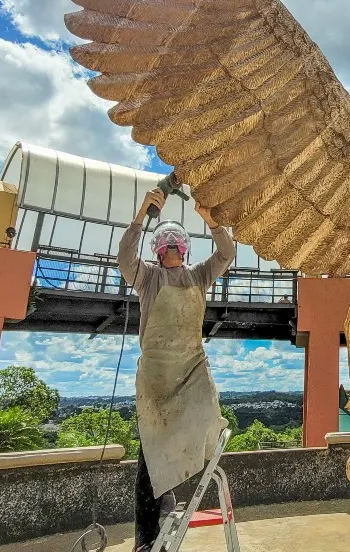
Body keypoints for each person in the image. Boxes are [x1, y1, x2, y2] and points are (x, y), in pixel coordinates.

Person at [118, 187, 235, 552]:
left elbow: (228, 253)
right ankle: (146, 539)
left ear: (184, 249)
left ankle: (180, 483)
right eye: (166, 244)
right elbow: (124, 257)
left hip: (191, 367)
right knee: (151, 453)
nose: (171, 248)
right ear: (158, 250)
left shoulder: (199, 276)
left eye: (176, 244)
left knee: (207, 417)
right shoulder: (148, 278)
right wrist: (142, 212)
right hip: (156, 377)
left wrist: (210, 220)